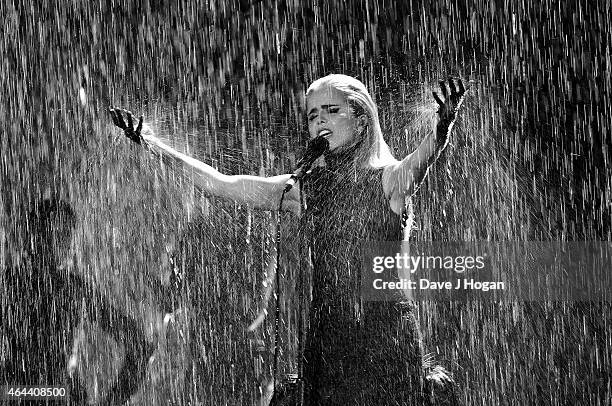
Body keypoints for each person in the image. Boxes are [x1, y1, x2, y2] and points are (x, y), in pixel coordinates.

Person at [110, 74, 466, 405]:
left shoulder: (389, 180)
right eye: (312, 116)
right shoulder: (303, 189)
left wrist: (441, 127)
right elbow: (222, 183)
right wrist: (152, 144)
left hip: (385, 336)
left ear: (361, 119)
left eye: (331, 111)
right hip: (327, 336)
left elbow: (422, 161)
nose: (320, 122)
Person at [0, 198, 154, 405]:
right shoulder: (69, 287)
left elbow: (140, 347)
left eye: (66, 234)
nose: (64, 242)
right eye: (57, 233)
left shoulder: (12, 284)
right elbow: (139, 347)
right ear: (33, 235)